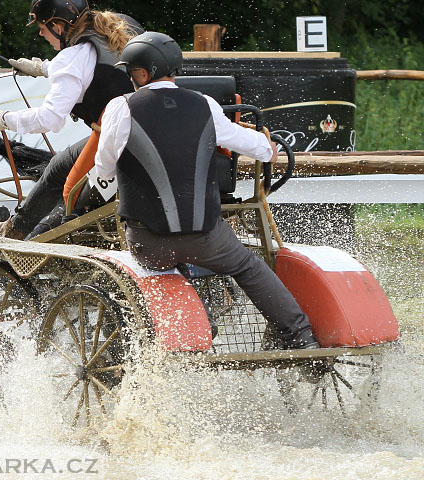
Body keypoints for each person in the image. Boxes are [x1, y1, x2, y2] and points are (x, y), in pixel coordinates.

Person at [90, 31, 320, 349]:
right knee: (246, 265)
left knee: (168, 258)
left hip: (148, 244)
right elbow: (260, 149)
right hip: (206, 240)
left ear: (141, 73)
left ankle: (195, 330)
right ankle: (301, 336)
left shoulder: (121, 107)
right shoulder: (205, 105)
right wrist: (268, 148)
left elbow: (103, 167)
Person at [0, 0, 143, 239]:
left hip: (118, 140)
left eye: (43, 28)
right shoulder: (114, 29)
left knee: (57, 172)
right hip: (145, 130)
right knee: (64, 166)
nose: (41, 34)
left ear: (58, 26)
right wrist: (42, 68)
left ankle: (14, 232)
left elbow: (51, 119)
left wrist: (5, 119)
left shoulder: (72, 57)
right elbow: (91, 67)